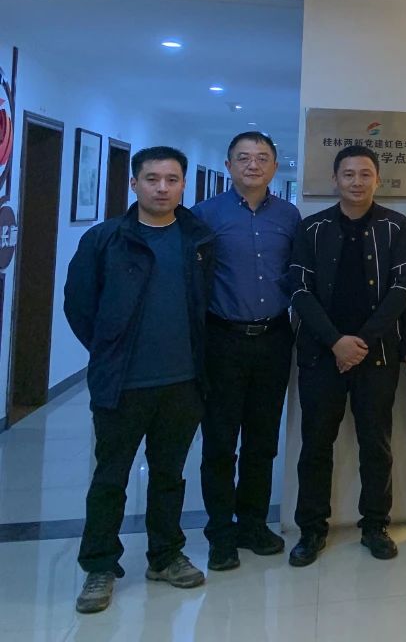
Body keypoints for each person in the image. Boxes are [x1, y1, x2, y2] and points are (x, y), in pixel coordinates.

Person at [64, 146, 216, 614]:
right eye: (152, 179)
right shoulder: (105, 239)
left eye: (171, 179)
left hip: (183, 383)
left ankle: (165, 555)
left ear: (184, 185)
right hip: (122, 385)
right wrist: (110, 352)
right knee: (110, 478)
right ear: (134, 184)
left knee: (169, 475)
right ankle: (99, 566)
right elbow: (79, 305)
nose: (162, 188)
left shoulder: (198, 239)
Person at [288, 145, 406, 566]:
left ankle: (375, 525)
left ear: (377, 179)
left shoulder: (397, 227)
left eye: (365, 174)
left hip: (376, 355)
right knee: (315, 446)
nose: (357, 182)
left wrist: (359, 342)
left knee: (376, 444)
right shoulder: (311, 228)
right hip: (321, 355)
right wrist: (335, 342)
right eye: (348, 174)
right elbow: (299, 290)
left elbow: (403, 289)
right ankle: (311, 529)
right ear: (335, 179)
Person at [193, 131, 300, 572]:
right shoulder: (204, 215)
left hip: (274, 338)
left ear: (274, 166)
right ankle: (220, 534)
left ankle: (253, 524)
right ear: (228, 165)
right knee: (220, 441)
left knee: (262, 440)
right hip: (222, 339)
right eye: (243, 158)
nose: (252, 165)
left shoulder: (290, 216)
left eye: (261, 158)